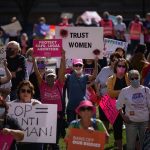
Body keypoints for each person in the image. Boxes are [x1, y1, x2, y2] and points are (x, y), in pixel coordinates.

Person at [32, 50, 66, 150]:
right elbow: (37, 74)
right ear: (45, 78)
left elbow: (62, 72)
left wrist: (63, 58)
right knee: (45, 135)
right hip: (45, 113)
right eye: (48, 77)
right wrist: (34, 60)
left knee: (55, 136)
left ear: (55, 78)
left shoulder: (59, 84)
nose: (50, 79)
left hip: (58, 113)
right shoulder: (42, 85)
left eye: (52, 77)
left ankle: (54, 146)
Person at [116, 70, 150, 150]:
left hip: (145, 122)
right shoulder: (125, 91)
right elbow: (118, 105)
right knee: (130, 146)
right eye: (132, 78)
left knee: (145, 146)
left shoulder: (146, 90)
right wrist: (123, 116)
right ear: (129, 80)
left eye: (136, 77)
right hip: (131, 122)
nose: (135, 80)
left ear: (139, 77)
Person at [12, 80, 42, 150]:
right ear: (19, 92)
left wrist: (39, 108)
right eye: (23, 90)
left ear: (31, 94)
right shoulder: (12, 105)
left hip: (34, 141)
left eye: (28, 91)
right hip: (19, 142)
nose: (26, 93)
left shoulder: (37, 103)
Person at [66, 58, 98, 123]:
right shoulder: (68, 76)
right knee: (71, 127)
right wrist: (63, 60)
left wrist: (96, 63)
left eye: (80, 65)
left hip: (82, 106)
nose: (78, 67)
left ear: (83, 66)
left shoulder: (85, 77)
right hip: (71, 106)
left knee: (83, 126)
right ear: (73, 66)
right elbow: (61, 77)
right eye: (76, 65)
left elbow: (94, 77)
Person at [107, 58, 130, 150]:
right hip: (115, 106)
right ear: (116, 67)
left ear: (126, 67)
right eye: (119, 66)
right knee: (117, 128)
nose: (121, 68)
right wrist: (123, 91)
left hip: (129, 106)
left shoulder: (129, 77)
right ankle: (120, 148)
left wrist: (118, 92)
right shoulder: (111, 79)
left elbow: (132, 91)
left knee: (132, 127)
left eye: (123, 66)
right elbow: (110, 93)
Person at [95, 52, 121, 130]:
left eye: (117, 60)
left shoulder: (121, 71)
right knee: (103, 120)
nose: (114, 62)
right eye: (113, 60)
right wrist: (97, 91)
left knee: (116, 122)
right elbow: (96, 81)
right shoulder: (104, 69)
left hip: (116, 100)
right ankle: (104, 138)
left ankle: (117, 139)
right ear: (110, 60)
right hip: (104, 98)